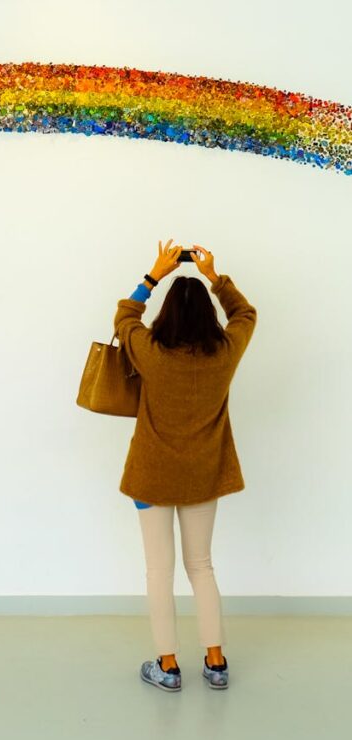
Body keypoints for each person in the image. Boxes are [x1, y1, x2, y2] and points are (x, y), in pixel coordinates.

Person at [113, 240, 257, 692]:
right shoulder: (225, 352)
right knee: (202, 566)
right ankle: (215, 662)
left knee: (160, 571)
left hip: (150, 476)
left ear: (168, 315)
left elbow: (124, 318)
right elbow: (245, 314)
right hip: (204, 476)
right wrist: (214, 277)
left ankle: (168, 666)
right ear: (208, 317)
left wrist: (154, 275)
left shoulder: (150, 351)